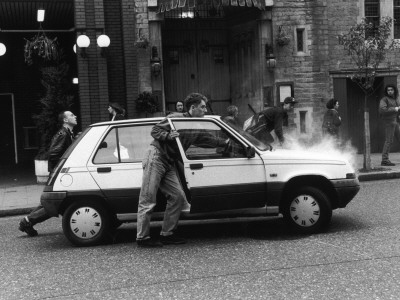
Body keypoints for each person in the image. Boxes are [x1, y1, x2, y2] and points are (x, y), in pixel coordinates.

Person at [136, 93, 227, 247]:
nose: (205, 110)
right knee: (148, 199)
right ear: (193, 108)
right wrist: (168, 135)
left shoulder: (195, 128)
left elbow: (209, 140)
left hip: (169, 162)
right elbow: (155, 130)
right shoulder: (176, 117)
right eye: (203, 107)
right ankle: (142, 238)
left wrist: (226, 142)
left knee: (177, 197)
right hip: (156, 157)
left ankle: (167, 234)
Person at [18, 111, 78, 236]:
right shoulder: (62, 134)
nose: (75, 116)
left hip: (58, 172)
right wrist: (62, 169)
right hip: (59, 173)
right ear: (65, 120)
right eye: (71, 115)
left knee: (48, 201)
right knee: (54, 203)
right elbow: (54, 154)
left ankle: (27, 221)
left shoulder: (68, 134)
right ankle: (28, 221)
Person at [379, 84, 400, 166]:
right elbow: (382, 110)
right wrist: (394, 109)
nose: (390, 91)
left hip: (396, 121)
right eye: (388, 90)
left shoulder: (396, 98)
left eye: (391, 89)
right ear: (386, 91)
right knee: (389, 141)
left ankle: (385, 159)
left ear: (394, 90)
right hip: (389, 122)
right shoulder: (384, 99)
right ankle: (384, 160)